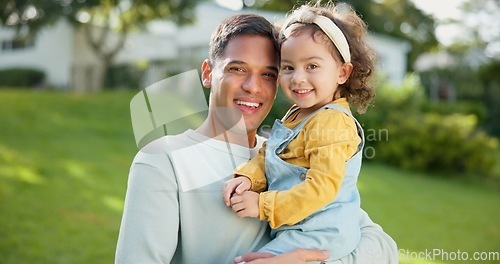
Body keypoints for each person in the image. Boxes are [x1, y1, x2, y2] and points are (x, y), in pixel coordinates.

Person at [115, 12, 398, 264]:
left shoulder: (290, 155)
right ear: (207, 73)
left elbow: (383, 248)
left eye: (268, 74)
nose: (253, 87)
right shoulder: (164, 161)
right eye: (237, 69)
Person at [222, 3, 379, 262]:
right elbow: (271, 153)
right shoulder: (300, 113)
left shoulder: (331, 122)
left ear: (342, 72)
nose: (298, 78)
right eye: (288, 67)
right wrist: (249, 177)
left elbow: (321, 188)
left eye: (312, 66)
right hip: (298, 229)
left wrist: (262, 205)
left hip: (320, 233)